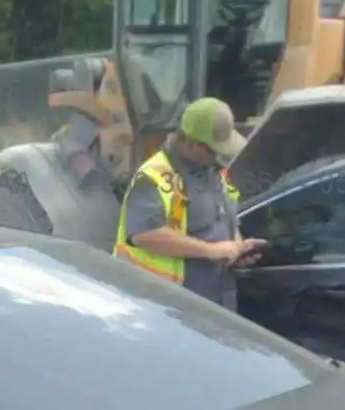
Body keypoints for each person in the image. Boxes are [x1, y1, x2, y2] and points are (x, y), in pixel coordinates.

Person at [113, 98, 267, 311]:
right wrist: (212, 251)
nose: (218, 155)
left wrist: (236, 249)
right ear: (192, 143)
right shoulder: (154, 176)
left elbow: (221, 218)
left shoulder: (213, 171)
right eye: (213, 150)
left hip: (217, 301)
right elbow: (144, 235)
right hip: (169, 308)